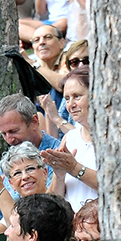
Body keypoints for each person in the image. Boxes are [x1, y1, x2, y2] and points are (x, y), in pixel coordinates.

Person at [42, 68, 97, 213]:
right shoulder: (70, 138)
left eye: (77, 96)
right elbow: (55, 198)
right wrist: (59, 176)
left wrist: (74, 168)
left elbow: (117, 186)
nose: (71, 105)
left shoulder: (114, 137)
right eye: (67, 98)